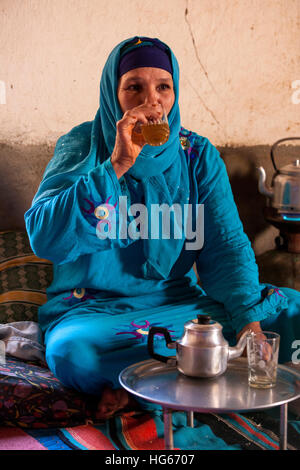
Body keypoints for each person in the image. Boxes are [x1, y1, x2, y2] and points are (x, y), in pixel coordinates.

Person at [25, 36, 300, 421]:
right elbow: (45, 237)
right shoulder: (82, 145)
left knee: (290, 312)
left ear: (175, 93)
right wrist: (116, 165)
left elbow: (226, 247)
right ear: (112, 93)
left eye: (163, 87)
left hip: (182, 309)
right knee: (74, 353)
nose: (151, 102)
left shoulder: (196, 154)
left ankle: (142, 387)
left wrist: (249, 326)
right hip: (95, 313)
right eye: (133, 87)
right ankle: (185, 383)